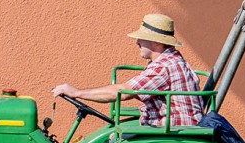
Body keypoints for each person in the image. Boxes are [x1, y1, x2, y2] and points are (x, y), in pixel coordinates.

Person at [52, 13, 203, 127]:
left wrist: (77, 93)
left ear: (157, 42)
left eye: (142, 38)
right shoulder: (171, 59)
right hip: (171, 123)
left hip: (171, 129)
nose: (137, 42)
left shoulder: (162, 67)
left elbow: (122, 92)